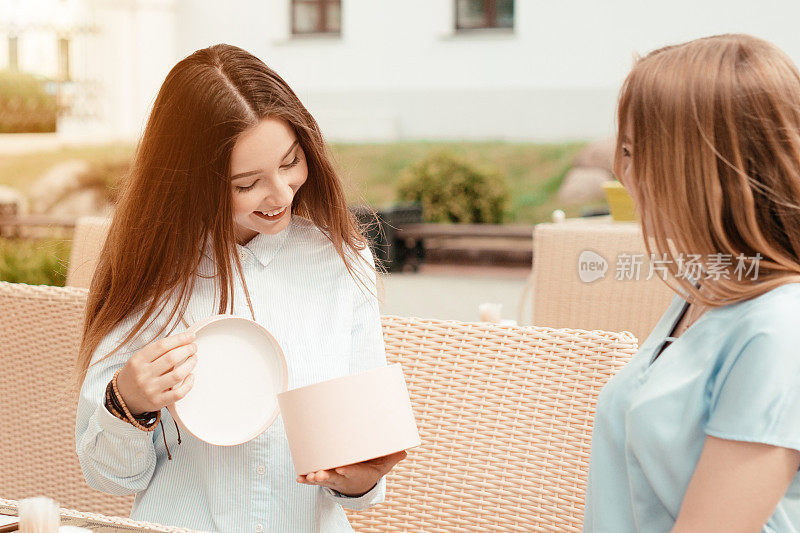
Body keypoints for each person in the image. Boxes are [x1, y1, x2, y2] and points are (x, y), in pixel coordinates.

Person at [74, 43, 405, 532]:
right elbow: (110, 478)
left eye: (291, 162)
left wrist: (357, 477)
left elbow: (361, 479)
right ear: (190, 183)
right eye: (247, 183)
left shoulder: (339, 258)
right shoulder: (152, 271)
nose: (280, 194)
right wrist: (128, 401)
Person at [584, 34, 800, 532]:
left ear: (698, 168)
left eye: (636, 151)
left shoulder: (778, 328)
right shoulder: (705, 290)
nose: (625, 173)